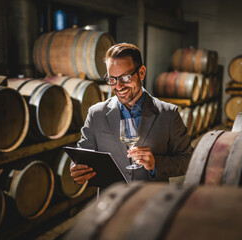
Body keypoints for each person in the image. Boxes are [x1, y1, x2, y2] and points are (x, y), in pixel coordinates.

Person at [70, 43, 193, 184]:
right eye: (112, 79)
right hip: (111, 202)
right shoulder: (96, 113)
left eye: (125, 78)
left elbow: (188, 160)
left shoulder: (168, 114)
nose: (118, 86)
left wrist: (155, 164)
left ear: (141, 72)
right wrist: (76, 168)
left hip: (152, 202)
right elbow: (82, 154)